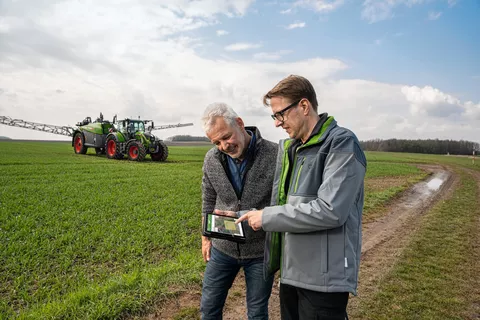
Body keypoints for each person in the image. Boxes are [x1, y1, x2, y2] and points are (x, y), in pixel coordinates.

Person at [236, 75, 367, 320]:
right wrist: (241, 216)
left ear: (304, 106)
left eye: (280, 114)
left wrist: (267, 217)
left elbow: (330, 210)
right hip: (291, 273)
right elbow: (286, 205)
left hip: (323, 281)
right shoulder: (291, 149)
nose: (277, 123)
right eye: (274, 116)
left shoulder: (341, 143)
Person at [200, 102, 278, 320]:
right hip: (222, 248)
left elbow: (283, 202)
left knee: (257, 312)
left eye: (226, 137)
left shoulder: (275, 155)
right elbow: (208, 197)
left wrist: (253, 213)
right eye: (216, 142)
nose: (224, 145)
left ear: (240, 124)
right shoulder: (211, 159)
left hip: (259, 251)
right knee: (209, 307)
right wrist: (206, 237)